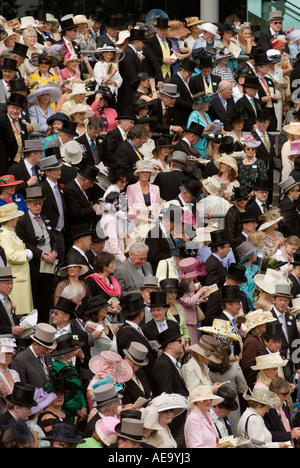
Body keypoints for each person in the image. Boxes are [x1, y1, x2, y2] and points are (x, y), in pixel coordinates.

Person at [0, 203, 33, 316]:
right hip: (16, 278)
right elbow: (11, 256)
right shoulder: (4, 235)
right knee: (18, 312)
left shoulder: (10, 233)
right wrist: (25, 254)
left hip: (21, 277)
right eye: (15, 216)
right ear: (10, 219)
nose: (18, 218)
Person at [50, 333, 87, 424]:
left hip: (77, 412)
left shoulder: (69, 365)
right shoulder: (56, 368)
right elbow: (62, 394)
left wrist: (83, 406)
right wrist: (76, 411)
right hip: (65, 414)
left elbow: (78, 388)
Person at [270, 283, 300, 383]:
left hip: (290, 361)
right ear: (274, 300)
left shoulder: (290, 318)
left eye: (285, 300)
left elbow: (296, 342)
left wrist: (298, 365)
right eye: (280, 300)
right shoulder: (268, 317)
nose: (283, 303)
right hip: (275, 363)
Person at [10, 323, 56, 388]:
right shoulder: (20, 360)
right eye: (45, 348)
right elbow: (20, 388)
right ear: (35, 344)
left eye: (50, 349)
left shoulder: (47, 356)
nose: (48, 352)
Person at [240, 309, 278, 388]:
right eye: (262, 323)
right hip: (255, 382)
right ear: (257, 326)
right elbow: (247, 366)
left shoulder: (258, 338)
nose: (265, 324)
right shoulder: (252, 341)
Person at [85, 251, 122, 325]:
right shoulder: (91, 280)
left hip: (115, 318)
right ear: (105, 266)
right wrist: (108, 308)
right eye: (112, 263)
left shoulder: (112, 280)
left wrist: (117, 307)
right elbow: (91, 302)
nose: (113, 266)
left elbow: (116, 299)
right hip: (98, 320)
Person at [265, 376, 300, 445]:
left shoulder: (284, 405)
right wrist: (290, 435)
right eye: (284, 394)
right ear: (274, 393)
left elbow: (288, 427)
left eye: (288, 393)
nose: (286, 397)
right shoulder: (266, 410)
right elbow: (268, 435)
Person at [122, 341, 152, 406]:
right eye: (134, 364)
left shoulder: (141, 373)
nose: (136, 368)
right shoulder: (119, 378)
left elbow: (149, 394)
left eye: (139, 366)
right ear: (126, 358)